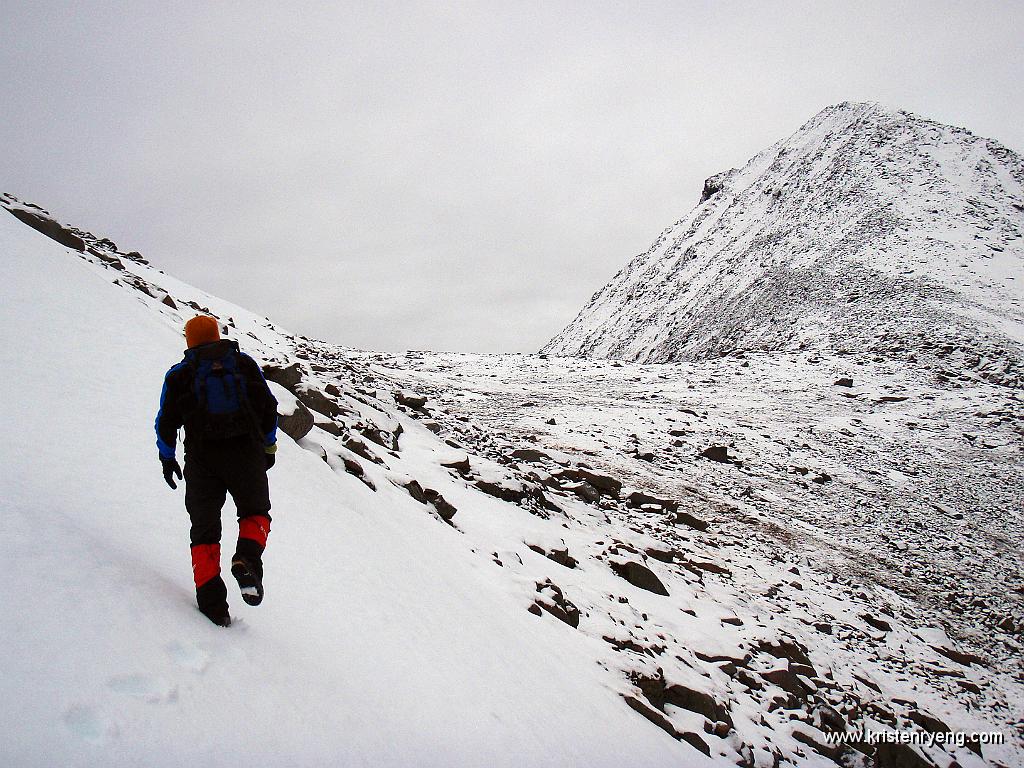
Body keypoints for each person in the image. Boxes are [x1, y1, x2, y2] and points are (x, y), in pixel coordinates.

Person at [155, 315, 279, 626]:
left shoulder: (180, 374)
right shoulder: (243, 364)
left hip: (201, 459)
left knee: (204, 531)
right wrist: (268, 447)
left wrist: (167, 457)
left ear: (189, 341)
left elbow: (166, 421)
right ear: (217, 334)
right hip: (245, 452)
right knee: (255, 511)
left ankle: (213, 606)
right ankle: (247, 558)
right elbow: (269, 407)